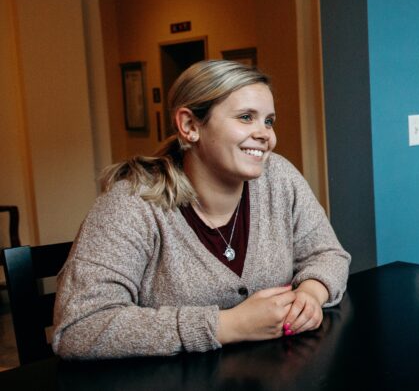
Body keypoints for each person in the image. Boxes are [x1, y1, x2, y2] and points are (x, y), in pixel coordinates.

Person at [52, 60, 351, 359]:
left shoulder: (279, 177)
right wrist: (227, 325)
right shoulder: (131, 205)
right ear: (190, 125)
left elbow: (328, 253)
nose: (265, 135)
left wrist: (311, 293)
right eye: (246, 117)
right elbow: (80, 327)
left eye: (268, 121)